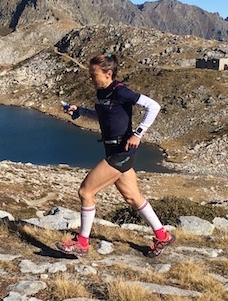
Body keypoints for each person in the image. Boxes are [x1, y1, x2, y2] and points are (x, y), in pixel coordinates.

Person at [56, 53, 174, 258]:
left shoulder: (121, 92)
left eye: (94, 75)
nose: (90, 79)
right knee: (133, 197)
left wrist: (138, 133)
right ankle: (162, 235)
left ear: (108, 74)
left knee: (86, 192)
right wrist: (80, 111)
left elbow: (153, 106)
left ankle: (82, 243)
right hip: (115, 151)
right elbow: (103, 115)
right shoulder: (102, 93)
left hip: (122, 153)